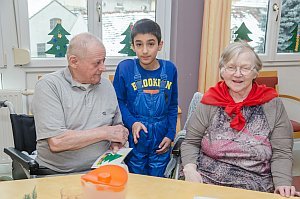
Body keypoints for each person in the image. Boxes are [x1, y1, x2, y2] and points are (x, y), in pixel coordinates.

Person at [181, 41, 300, 197]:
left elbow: (282, 151)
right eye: (231, 67)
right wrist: (190, 169)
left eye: (245, 68)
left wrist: (283, 183)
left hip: (256, 186)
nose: (237, 74)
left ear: (255, 72)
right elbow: (190, 141)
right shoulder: (210, 101)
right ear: (222, 71)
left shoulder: (273, 104)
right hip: (207, 183)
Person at [32, 32, 129, 173]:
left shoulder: (107, 85)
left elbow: (116, 125)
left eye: (103, 61)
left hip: (103, 169)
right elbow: (57, 142)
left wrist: (117, 139)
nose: (103, 68)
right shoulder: (48, 86)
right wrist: (106, 133)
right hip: (58, 173)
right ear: (74, 61)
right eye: (97, 63)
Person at [113, 19, 178, 177]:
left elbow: (173, 105)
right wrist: (132, 122)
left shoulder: (169, 69)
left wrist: (170, 135)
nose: (145, 51)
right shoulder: (125, 68)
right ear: (132, 46)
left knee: (158, 182)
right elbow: (118, 102)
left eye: (150, 44)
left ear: (160, 45)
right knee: (136, 180)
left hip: (161, 135)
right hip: (136, 135)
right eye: (139, 44)